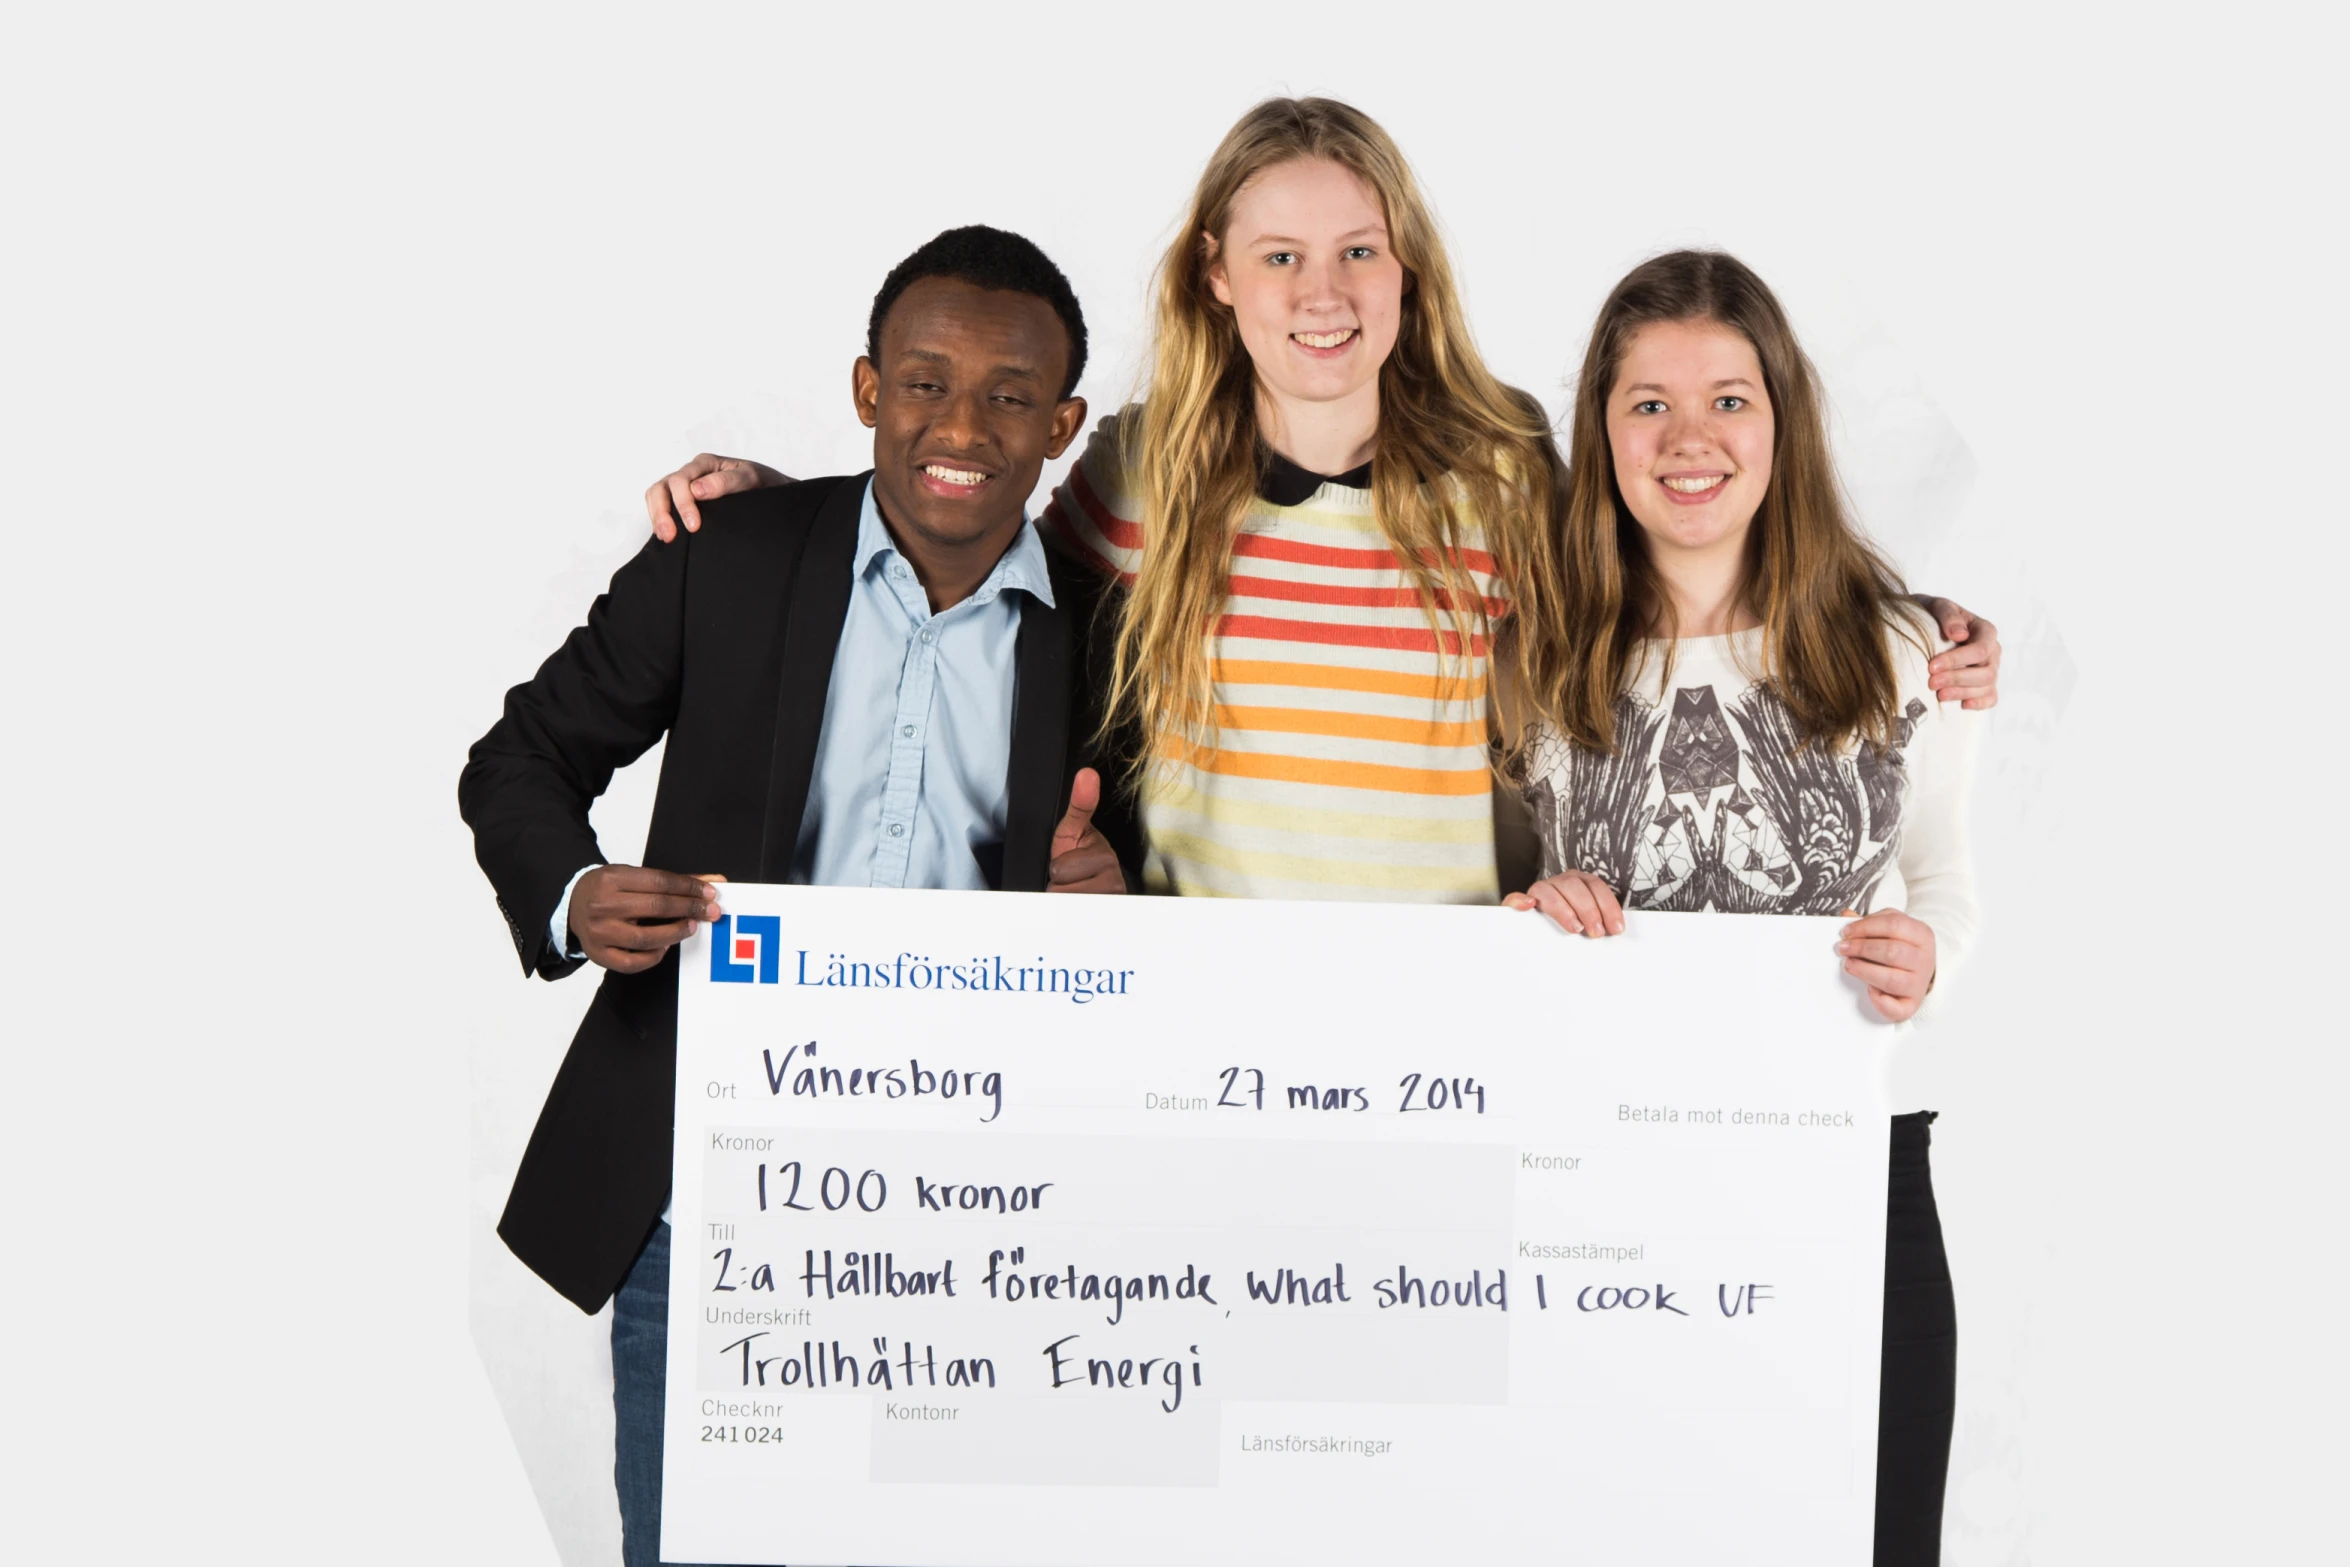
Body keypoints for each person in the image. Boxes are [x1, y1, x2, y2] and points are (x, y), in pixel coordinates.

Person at [647, 99, 2002, 899]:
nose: (1323, 290)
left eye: (1358, 250)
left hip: (1446, 1006)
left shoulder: (1499, 470)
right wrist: (794, 517)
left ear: (1404, 270)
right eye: (1281, 253)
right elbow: (970, 561)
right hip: (1199, 1015)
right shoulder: (1142, 471)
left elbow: (1676, 570)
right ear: (1217, 277)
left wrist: (1903, 618)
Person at [460, 225, 1136, 1567]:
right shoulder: (732, 553)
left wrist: (1116, 889)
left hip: (979, 1217)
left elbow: (1156, 901)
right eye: (925, 380)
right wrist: (576, 888)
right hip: (705, 1201)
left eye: (1011, 395)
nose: (963, 423)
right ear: (865, 390)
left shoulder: (1109, 636)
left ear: (1061, 425)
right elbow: (521, 760)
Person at [1502, 249, 1979, 1564]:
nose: (1687, 438)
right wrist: (1527, 910)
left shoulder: (1901, 644)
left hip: (1848, 1182)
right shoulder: (1534, 656)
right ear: (1599, 431)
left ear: (1782, 420)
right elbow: (1491, 906)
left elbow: (1945, 870)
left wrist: (1929, 954)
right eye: (1645, 403)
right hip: (1606, 1185)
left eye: (1727, 398)